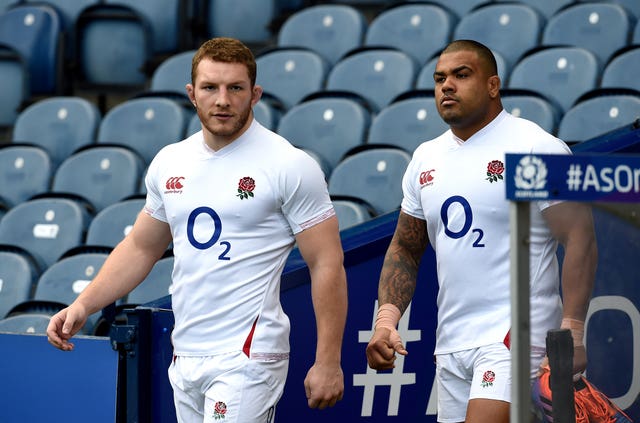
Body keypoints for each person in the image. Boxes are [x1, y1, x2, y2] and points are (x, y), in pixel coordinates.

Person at [47, 37, 348, 422]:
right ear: (192, 93)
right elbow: (141, 247)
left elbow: (326, 262)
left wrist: (328, 361)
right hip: (185, 353)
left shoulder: (290, 164)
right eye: (210, 87)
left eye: (235, 88)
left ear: (255, 94)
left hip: (248, 354)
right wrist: (82, 305)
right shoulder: (170, 162)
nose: (222, 99)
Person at [365, 39, 597, 423]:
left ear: (493, 86)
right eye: (439, 78)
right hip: (452, 343)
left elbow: (580, 237)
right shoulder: (425, 158)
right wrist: (386, 321)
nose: (447, 86)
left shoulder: (536, 147)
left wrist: (572, 327)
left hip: (516, 337)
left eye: (461, 75)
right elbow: (406, 247)